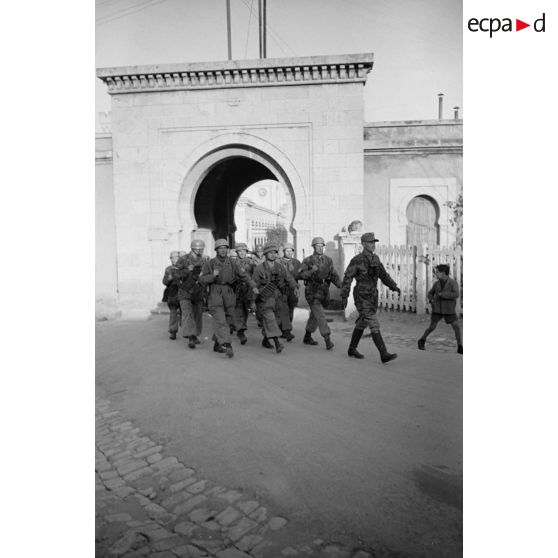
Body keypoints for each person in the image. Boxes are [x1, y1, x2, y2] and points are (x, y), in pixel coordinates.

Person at [340, 232, 401, 363]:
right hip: (361, 295)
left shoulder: (376, 259)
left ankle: (352, 348)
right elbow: (348, 277)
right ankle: (383, 354)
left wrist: (393, 286)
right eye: (369, 242)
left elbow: (383, 275)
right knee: (373, 322)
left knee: (363, 321)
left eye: (374, 242)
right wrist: (344, 295)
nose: (372, 245)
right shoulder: (357, 260)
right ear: (363, 244)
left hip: (373, 295)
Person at [199, 238, 258, 358]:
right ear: (216, 250)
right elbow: (202, 280)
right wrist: (212, 276)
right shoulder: (209, 263)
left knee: (227, 321)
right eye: (220, 248)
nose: (223, 250)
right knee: (220, 320)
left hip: (229, 293)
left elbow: (244, 276)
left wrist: (253, 286)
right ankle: (227, 344)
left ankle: (217, 343)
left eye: (225, 248)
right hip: (215, 292)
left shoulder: (233, 262)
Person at [252, 242, 298, 352]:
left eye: (275, 253)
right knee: (270, 319)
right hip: (265, 298)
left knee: (279, 318)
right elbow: (253, 285)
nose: (273, 255)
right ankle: (277, 343)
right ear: (265, 254)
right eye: (270, 253)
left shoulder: (280, 267)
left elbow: (289, 278)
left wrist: (295, 287)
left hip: (278, 297)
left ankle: (266, 339)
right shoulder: (260, 269)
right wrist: (253, 301)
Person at [298, 237, 342, 350]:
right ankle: (327, 339)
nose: (320, 248)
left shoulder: (328, 260)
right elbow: (300, 275)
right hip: (312, 293)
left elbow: (333, 275)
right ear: (313, 247)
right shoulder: (308, 260)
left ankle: (307, 336)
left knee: (315, 315)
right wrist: (311, 271)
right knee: (321, 315)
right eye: (317, 246)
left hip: (324, 293)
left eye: (322, 246)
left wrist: (341, 286)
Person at [418, 264, 463, 354]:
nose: (436, 273)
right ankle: (422, 340)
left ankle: (460, 346)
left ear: (443, 273)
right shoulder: (436, 283)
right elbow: (430, 293)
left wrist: (443, 294)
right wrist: (432, 300)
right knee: (432, 327)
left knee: (456, 327)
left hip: (449, 309)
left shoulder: (453, 283)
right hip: (437, 309)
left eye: (437, 272)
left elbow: (456, 294)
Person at [174, 239, 208, 349]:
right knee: (187, 314)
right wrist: (186, 271)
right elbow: (175, 274)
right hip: (185, 292)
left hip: (198, 291)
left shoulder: (204, 260)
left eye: (202, 249)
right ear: (194, 248)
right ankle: (190, 337)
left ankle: (195, 334)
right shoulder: (183, 259)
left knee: (197, 315)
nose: (201, 251)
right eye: (200, 249)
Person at [233, 243, 257, 345]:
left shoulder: (251, 263)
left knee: (245, 311)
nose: (242, 253)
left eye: (244, 251)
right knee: (237, 310)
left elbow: (255, 275)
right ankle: (240, 331)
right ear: (237, 252)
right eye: (240, 251)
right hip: (236, 289)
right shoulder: (232, 262)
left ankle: (241, 328)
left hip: (248, 289)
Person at [279, 242, 302, 333]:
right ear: (284, 251)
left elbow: (301, 274)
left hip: (293, 289)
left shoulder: (296, 262)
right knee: (283, 309)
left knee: (291, 308)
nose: (289, 253)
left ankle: (287, 327)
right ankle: (284, 329)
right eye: (287, 251)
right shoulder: (278, 262)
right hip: (282, 288)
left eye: (291, 251)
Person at [162, 251, 181, 340]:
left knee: (185, 313)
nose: (174, 259)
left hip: (182, 293)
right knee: (173, 313)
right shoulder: (168, 269)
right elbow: (164, 282)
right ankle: (173, 331)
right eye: (172, 257)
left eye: (176, 257)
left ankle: (189, 332)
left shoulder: (182, 268)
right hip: (172, 294)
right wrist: (168, 280)